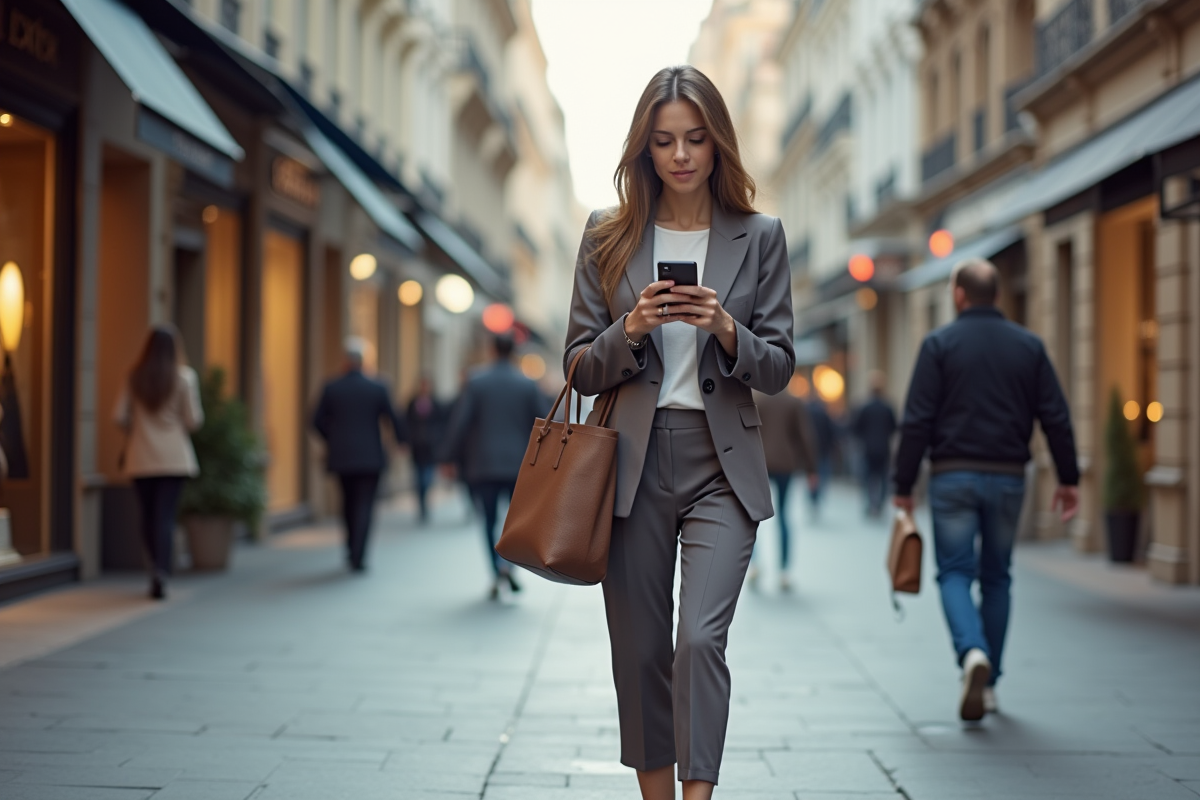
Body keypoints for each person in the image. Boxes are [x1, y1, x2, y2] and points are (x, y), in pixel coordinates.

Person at [564, 66, 794, 800]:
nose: (682, 155)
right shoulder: (607, 235)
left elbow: (781, 365)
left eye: (696, 138)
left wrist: (727, 329)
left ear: (718, 143)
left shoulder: (760, 238)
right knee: (640, 653)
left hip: (721, 466)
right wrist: (628, 330)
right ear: (645, 148)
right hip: (629, 465)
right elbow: (577, 364)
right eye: (664, 141)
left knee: (699, 638)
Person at [893, 258, 1080, 722]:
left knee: (955, 572)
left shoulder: (939, 344)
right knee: (998, 576)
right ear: (996, 294)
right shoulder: (1029, 346)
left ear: (959, 294)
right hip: (1010, 477)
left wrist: (902, 485)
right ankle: (989, 680)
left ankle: (971, 652)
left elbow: (917, 420)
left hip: (952, 475)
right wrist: (1069, 477)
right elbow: (1055, 415)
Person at [440, 333, 547, 599]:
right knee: (515, 522)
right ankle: (509, 565)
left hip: (483, 464)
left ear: (491, 349)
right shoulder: (527, 384)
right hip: (518, 466)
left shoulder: (476, 382)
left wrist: (448, 457)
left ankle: (496, 568)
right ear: (514, 351)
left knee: (488, 520)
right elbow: (544, 422)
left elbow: (460, 423)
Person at [114, 326, 204, 600]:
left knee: (148, 516)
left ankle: (154, 567)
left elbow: (119, 415)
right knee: (165, 516)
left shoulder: (135, 377)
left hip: (141, 456)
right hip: (174, 458)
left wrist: (138, 428)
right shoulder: (184, 378)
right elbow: (194, 421)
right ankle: (162, 572)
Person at [312, 338, 406, 572]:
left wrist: (331, 438)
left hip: (342, 455)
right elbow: (393, 418)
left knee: (348, 502)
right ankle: (359, 553)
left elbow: (314, 421)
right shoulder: (377, 387)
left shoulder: (332, 387)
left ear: (345, 361)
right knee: (365, 504)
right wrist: (402, 442)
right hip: (370, 456)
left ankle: (350, 547)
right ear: (363, 363)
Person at [750, 383, 818, 591]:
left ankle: (754, 563)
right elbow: (804, 436)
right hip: (786, 464)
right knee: (784, 516)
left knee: (752, 517)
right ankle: (784, 571)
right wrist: (811, 469)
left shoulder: (756, 399)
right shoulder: (793, 401)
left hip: (758, 463)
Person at [852, 370, 897, 518]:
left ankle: (871, 503)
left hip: (868, 448)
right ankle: (880, 504)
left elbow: (857, 427)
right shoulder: (888, 407)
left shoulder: (865, 407)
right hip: (883, 448)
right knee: (883, 478)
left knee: (868, 477)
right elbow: (894, 427)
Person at [405, 376, 447, 523]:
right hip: (417, 446)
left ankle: (425, 502)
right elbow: (407, 422)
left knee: (427, 477)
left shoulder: (436, 404)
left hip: (431, 446)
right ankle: (422, 505)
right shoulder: (412, 403)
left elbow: (442, 424)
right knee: (418, 477)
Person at [805, 395, 837, 518]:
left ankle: (813, 496)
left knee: (812, 475)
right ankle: (817, 495)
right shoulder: (824, 414)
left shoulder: (806, 414)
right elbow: (831, 432)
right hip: (823, 450)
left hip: (811, 450)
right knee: (822, 475)